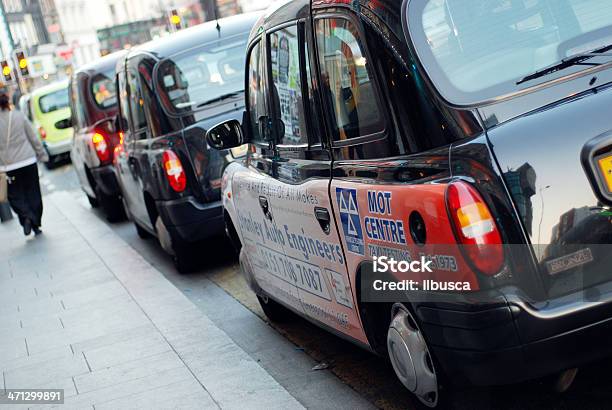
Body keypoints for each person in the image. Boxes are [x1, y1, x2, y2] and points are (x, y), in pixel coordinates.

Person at [0, 90, 48, 236]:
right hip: (28, 161)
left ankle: (26, 217)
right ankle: (35, 223)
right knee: (33, 191)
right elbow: (32, 137)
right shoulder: (19, 116)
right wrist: (41, 153)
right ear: (8, 101)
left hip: (9, 166)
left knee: (15, 195)